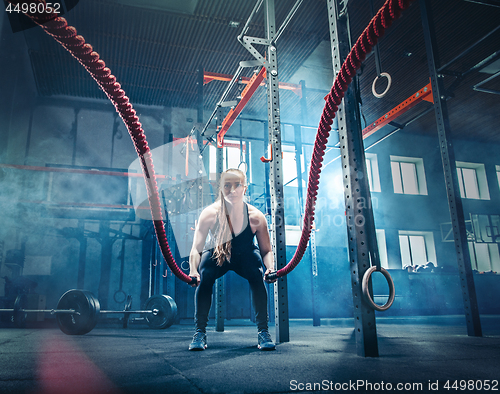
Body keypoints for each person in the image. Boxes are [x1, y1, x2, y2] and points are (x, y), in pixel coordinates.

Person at [188, 168, 277, 351]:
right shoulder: (209, 214)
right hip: (217, 254)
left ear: (245, 188)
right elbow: (196, 249)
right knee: (205, 275)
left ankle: (263, 331)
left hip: (244, 255)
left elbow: (266, 251)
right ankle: (199, 332)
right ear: (220, 188)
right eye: (227, 186)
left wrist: (270, 268)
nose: (232, 190)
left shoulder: (256, 217)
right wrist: (193, 271)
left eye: (237, 186)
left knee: (257, 273)